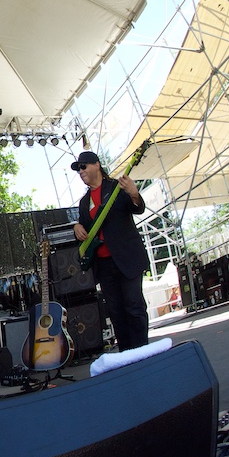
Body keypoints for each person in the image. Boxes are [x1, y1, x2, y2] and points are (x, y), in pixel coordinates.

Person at [71, 150, 150, 351]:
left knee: (134, 306)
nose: (80, 172)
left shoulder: (116, 188)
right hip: (104, 264)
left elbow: (138, 208)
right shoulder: (83, 202)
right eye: (78, 170)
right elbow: (85, 226)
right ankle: (127, 353)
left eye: (83, 166)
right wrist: (77, 228)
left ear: (96, 164)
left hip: (126, 258)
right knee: (115, 311)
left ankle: (142, 351)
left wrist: (134, 193)